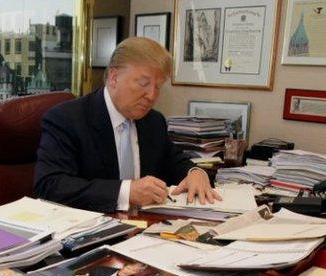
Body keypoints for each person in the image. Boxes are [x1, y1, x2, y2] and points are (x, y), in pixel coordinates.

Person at [34, 37, 219, 212]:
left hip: (144, 229)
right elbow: (50, 185)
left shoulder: (153, 121)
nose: (152, 96)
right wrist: (126, 192)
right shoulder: (67, 119)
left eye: (158, 86)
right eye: (143, 83)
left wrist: (195, 173)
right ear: (114, 78)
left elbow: (174, 161)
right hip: (89, 232)